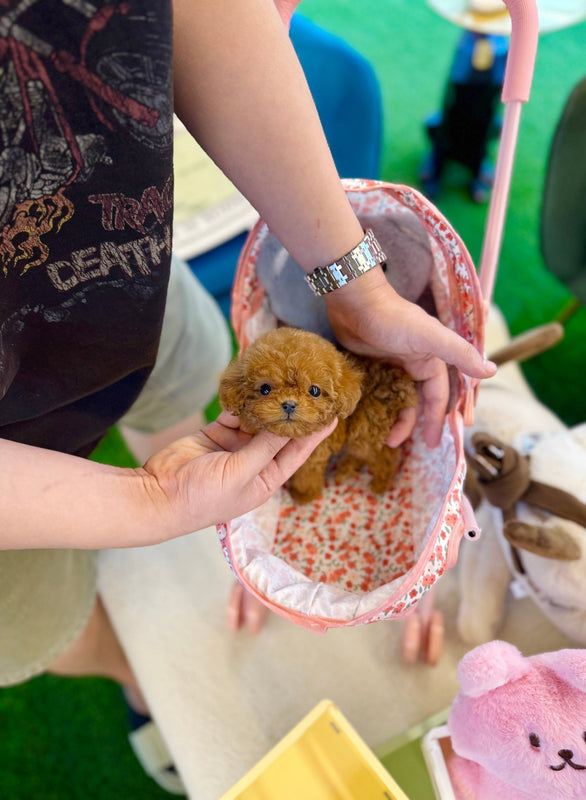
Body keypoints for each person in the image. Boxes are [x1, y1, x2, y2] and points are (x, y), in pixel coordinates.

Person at [0, 0, 495, 792]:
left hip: (120, 281)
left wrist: (354, 285)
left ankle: (190, 532)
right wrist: (148, 505)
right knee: (33, 612)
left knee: (180, 385)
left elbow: (199, 11)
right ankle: (134, 673)